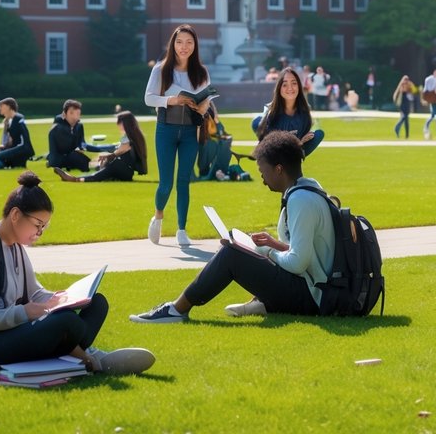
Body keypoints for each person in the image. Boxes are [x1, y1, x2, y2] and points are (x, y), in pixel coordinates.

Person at [0, 170, 155, 376]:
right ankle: (92, 360)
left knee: (97, 303)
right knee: (65, 323)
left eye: (44, 227)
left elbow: (34, 293)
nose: (39, 233)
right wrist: (24, 313)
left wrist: (61, 299)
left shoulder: (15, 246)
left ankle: (81, 354)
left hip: (9, 331)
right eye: (37, 225)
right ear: (16, 215)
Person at [129, 131, 336, 323]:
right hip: (314, 288)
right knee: (237, 251)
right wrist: (273, 245)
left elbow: (298, 263)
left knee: (231, 255)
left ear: (279, 169)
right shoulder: (308, 189)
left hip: (313, 296)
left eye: (263, 170)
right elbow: (306, 253)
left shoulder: (300, 199)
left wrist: (267, 252)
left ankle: (176, 309)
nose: (262, 177)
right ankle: (261, 303)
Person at [145, 24, 212, 248]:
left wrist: (202, 106)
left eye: (189, 42)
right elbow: (148, 98)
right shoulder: (161, 70)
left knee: (184, 182)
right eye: (180, 42)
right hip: (166, 129)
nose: (184, 47)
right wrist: (171, 100)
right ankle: (158, 216)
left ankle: (181, 230)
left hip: (190, 133)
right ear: (173, 44)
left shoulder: (201, 72)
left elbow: (206, 101)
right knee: (166, 184)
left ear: (195, 46)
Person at [55, 111, 148, 183]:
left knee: (111, 165)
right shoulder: (135, 135)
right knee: (108, 165)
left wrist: (109, 156)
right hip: (127, 171)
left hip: (125, 170)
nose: (118, 126)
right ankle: (82, 178)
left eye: (119, 123)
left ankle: (76, 180)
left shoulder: (129, 137)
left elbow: (122, 149)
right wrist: (108, 156)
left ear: (124, 123)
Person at [252, 67, 324, 156]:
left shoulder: (304, 110)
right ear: (279, 88)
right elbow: (271, 146)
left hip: (294, 156)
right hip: (275, 157)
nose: (290, 88)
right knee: (256, 122)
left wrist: (303, 140)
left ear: (299, 86)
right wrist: (298, 143)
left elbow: (312, 128)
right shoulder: (270, 111)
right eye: (285, 84)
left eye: (294, 83)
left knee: (319, 134)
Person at [47, 99, 113, 172]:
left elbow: (82, 143)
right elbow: (64, 148)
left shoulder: (78, 126)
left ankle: (103, 161)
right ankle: (97, 167)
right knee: (77, 157)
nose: (79, 116)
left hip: (72, 155)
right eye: (77, 113)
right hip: (59, 160)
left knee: (84, 156)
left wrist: (82, 147)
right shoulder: (57, 128)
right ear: (69, 113)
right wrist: (79, 148)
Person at [423, 68, 436, 141]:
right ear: (434, 73)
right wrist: (425, 99)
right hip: (433, 100)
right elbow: (427, 89)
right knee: (434, 115)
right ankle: (426, 126)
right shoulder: (429, 79)